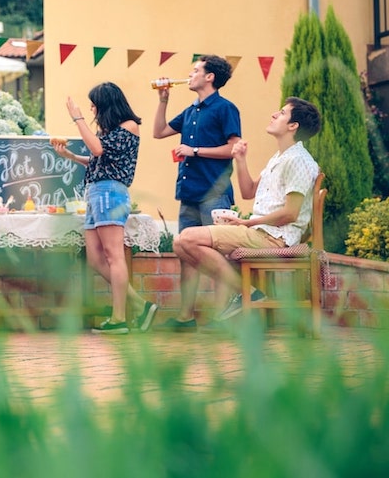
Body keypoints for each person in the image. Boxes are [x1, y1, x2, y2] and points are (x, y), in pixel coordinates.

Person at [171, 97, 322, 326]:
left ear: (293, 126)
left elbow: (290, 214)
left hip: (274, 238)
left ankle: (247, 293)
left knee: (187, 239)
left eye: (281, 113)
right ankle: (246, 293)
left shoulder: (298, 161)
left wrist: (246, 224)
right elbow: (248, 191)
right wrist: (240, 159)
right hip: (260, 231)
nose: (274, 115)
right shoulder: (280, 157)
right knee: (181, 242)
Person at [52, 82, 158, 334]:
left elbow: (97, 149)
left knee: (113, 256)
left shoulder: (129, 126)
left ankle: (119, 318)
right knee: (95, 258)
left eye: (94, 105)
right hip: (96, 191)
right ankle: (141, 306)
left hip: (110, 192)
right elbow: (98, 158)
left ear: (107, 103)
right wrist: (70, 156)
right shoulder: (109, 130)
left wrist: (77, 117)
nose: (91, 109)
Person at [153, 54, 242, 331]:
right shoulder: (191, 110)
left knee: (217, 255)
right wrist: (163, 99)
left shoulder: (225, 108)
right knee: (187, 256)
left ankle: (221, 318)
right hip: (189, 192)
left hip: (214, 194)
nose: (190, 75)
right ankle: (185, 317)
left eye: (195, 70)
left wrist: (195, 151)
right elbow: (158, 132)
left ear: (209, 77)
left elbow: (234, 148)